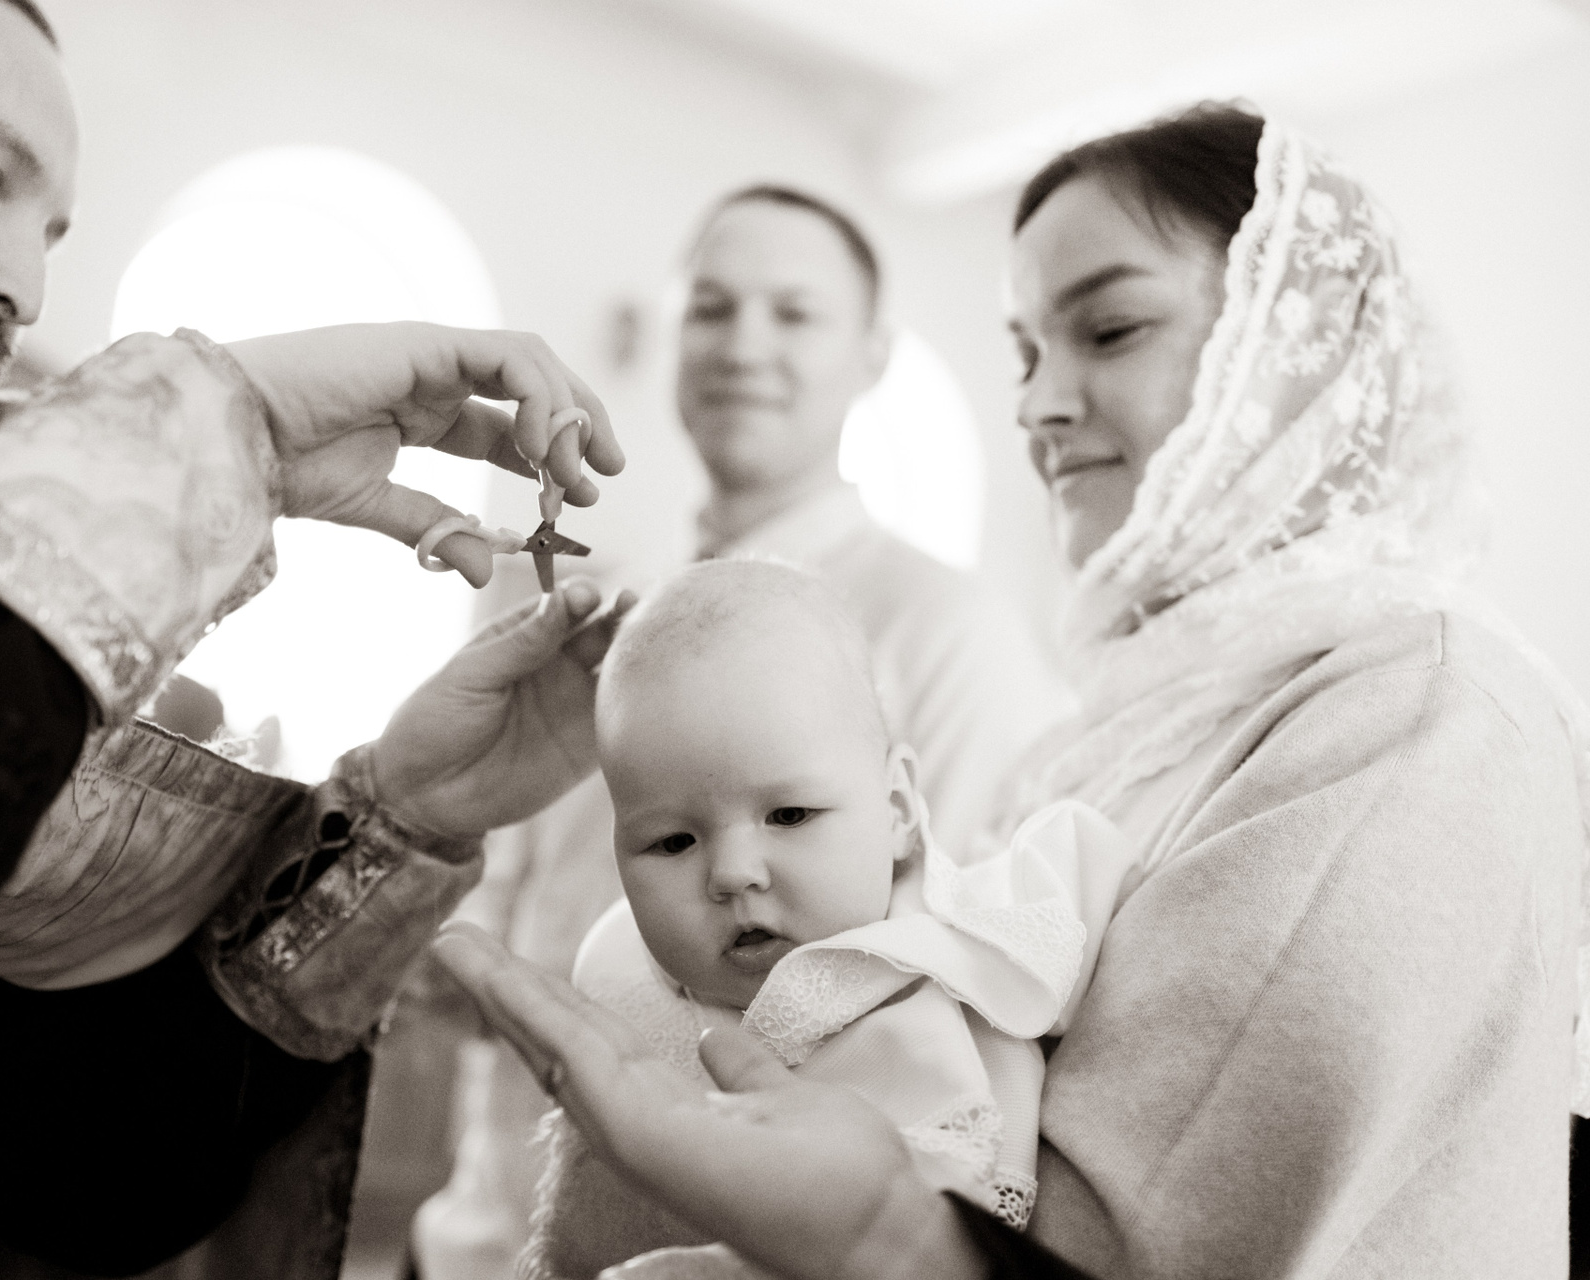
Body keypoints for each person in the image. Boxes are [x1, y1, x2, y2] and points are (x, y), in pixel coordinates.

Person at [431, 104, 1588, 1279]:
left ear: (1307, 342)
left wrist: (873, 1218)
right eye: (1026, 355)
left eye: (1111, 329)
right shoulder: (1121, 722)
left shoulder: (1421, 708)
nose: (1035, 406)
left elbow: (1147, 1226)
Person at [0, 1, 631, 1277]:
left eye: (49, 232)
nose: (24, 291)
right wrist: (210, 428)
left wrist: (403, 810)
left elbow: (76, 1180)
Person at [412, 185, 1070, 1280]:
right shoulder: (604, 605)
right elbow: (507, 885)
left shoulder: (952, 633)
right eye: (711, 308)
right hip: (480, 1228)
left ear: (872, 353)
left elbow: (938, 959)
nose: (743, 345)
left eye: (794, 312)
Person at [520, 561, 1126, 1280]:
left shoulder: (957, 940)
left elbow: (1088, 884)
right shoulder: (621, 966)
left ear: (897, 809)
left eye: (789, 815)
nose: (732, 872)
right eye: (673, 842)